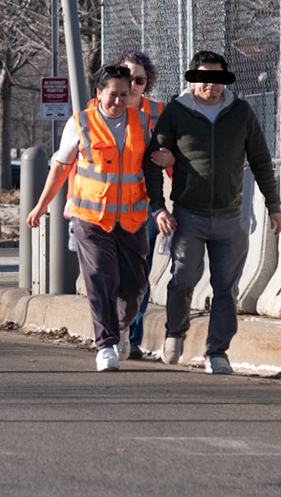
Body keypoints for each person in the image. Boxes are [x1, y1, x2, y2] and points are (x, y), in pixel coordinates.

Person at [152, 49, 281, 374]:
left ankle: (217, 352)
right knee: (183, 280)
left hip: (229, 215)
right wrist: (158, 207)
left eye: (217, 77)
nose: (210, 84)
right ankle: (175, 331)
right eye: (203, 77)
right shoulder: (176, 111)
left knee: (226, 288)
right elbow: (153, 158)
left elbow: (261, 160)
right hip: (188, 215)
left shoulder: (240, 112)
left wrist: (273, 205)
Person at [26, 64, 164, 372]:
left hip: (131, 218)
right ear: (99, 94)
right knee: (101, 278)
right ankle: (105, 345)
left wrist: (168, 168)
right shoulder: (81, 124)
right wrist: (41, 205)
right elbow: (61, 168)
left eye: (124, 95)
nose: (118, 101)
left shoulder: (141, 123)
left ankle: (122, 329)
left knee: (134, 287)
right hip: (91, 218)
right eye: (112, 94)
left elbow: (154, 166)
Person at [123, 50, 168, 357]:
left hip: (146, 202)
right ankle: (111, 329)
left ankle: (132, 336)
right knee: (110, 272)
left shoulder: (157, 112)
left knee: (140, 272)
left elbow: (171, 157)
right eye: (129, 78)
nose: (134, 85)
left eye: (140, 79)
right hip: (106, 204)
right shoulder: (99, 108)